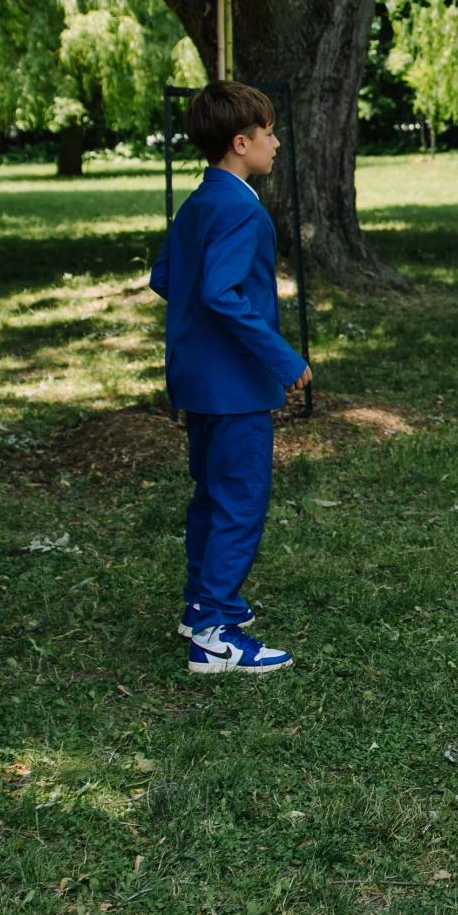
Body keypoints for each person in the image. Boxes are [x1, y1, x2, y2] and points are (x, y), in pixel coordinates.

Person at [150, 81, 309, 675]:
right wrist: (284, 359)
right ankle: (214, 635)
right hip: (235, 386)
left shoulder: (199, 200)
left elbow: (166, 277)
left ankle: (200, 605)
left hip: (198, 381)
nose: (276, 142)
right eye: (268, 132)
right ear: (241, 143)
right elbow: (219, 293)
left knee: (212, 496)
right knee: (240, 499)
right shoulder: (242, 207)